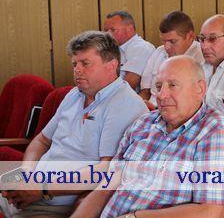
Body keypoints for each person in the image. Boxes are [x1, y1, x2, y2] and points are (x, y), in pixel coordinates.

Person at [70, 56, 224, 218]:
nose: (161, 95)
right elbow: (106, 188)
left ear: (200, 89)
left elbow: (211, 212)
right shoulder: (143, 123)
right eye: (159, 86)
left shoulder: (218, 132)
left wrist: (135, 217)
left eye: (173, 85)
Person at [0, 31, 148, 218]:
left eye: (85, 63)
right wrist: (27, 173)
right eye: (74, 64)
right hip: (30, 190)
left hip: (55, 204)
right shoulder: (74, 94)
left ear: (112, 65)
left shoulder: (124, 104)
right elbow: (42, 140)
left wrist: (43, 188)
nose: (77, 70)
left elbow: (107, 170)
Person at [139, 10, 204, 105]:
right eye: (163, 41)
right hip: (151, 109)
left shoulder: (201, 57)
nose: (166, 47)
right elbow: (145, 90)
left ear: (190, 36)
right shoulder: (159, 51)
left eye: (172, 41)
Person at [103, 10, 155, 91]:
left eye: (113, 30)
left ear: (129, 29)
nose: (108, 35)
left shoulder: (142, 48)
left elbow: (128, 86)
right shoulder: (112, 48)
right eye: (106, 31)